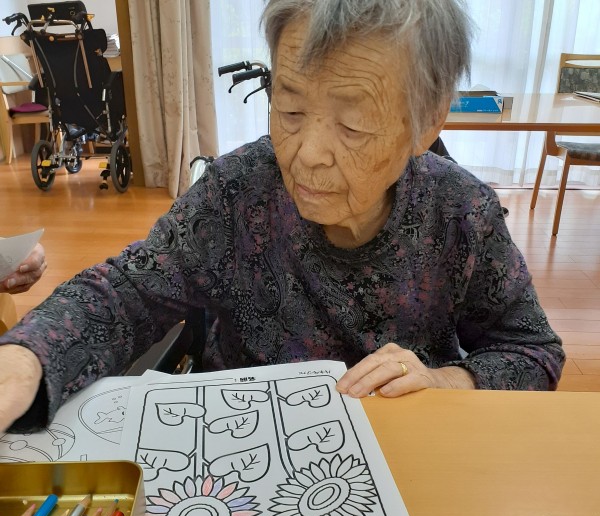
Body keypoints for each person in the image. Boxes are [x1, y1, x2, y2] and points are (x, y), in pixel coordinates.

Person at [0, 0, 564, 433]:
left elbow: (532, 350)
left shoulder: (461, 212)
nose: (306, 154)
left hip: (407, 455)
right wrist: (27, 359)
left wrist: (449, 380)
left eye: (352, 125)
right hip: (244, 453)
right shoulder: (237, 191)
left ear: (428, 121)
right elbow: (125, 293)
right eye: (290, 109)